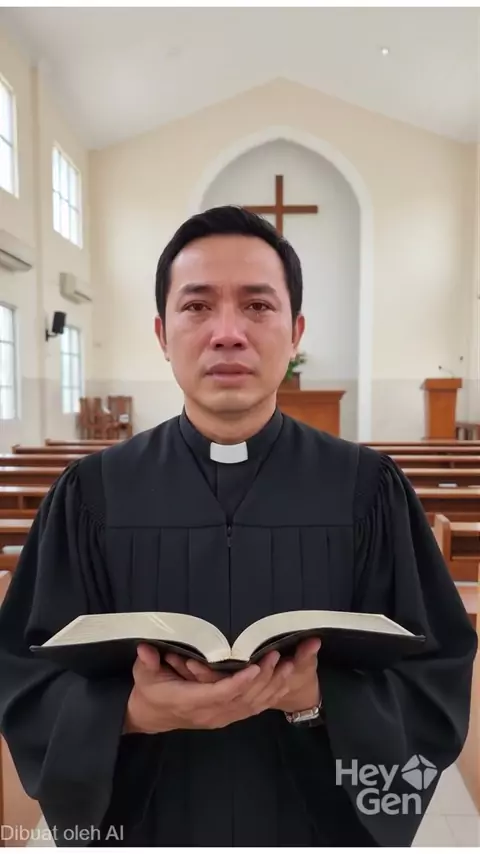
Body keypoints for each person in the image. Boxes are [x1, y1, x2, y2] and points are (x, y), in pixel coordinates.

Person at [0, 207, 476, 848]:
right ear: (162, 333)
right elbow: (24, 675)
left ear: (295, 330)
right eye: (197, 306)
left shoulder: (368, 490)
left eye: (257, 306)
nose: (228, 333)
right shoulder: (92, 495)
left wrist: (318, 697)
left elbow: (435, 672)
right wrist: (133, 712)